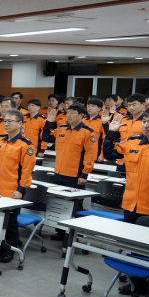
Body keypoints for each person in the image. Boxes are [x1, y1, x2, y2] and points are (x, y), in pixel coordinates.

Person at [103, 108, 149, 297]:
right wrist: (111, 132)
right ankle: (137, 284)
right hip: (131, 205)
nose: (146, 125)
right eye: (145, 121)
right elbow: (109, 154)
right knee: (134, 247)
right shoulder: (133, 141)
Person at [0, 109, 36, 263]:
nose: (7, 124)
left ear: (20, 123)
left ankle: (9, 249)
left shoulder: (26, 145)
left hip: (12, 191)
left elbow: (27, 171)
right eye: (5, 121)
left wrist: (21, 190)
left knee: (10, 222)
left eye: (10, 121)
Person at [43, 103, 97, 240]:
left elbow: (90, 155)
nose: (69, 115)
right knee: (60, 204)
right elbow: (46, 138)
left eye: (73, 113)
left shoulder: (87, 132)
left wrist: (84, 174)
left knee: (74, 206)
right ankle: (61, 231)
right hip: (59, 173)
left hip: (75, 175)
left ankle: (73, 234)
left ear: (81, 115)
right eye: (68, 112)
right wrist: (49, 122)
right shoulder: (62, 129)